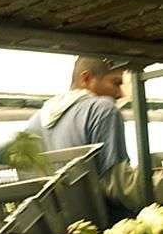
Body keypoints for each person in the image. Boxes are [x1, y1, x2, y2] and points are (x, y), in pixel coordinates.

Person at [26, 56, 163, 223]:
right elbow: (121, 190)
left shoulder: (35, 122)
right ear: (86, 78)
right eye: (116, 83)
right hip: (106, 228)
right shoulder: (101, 109)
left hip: (61, 230)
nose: (120, 93)